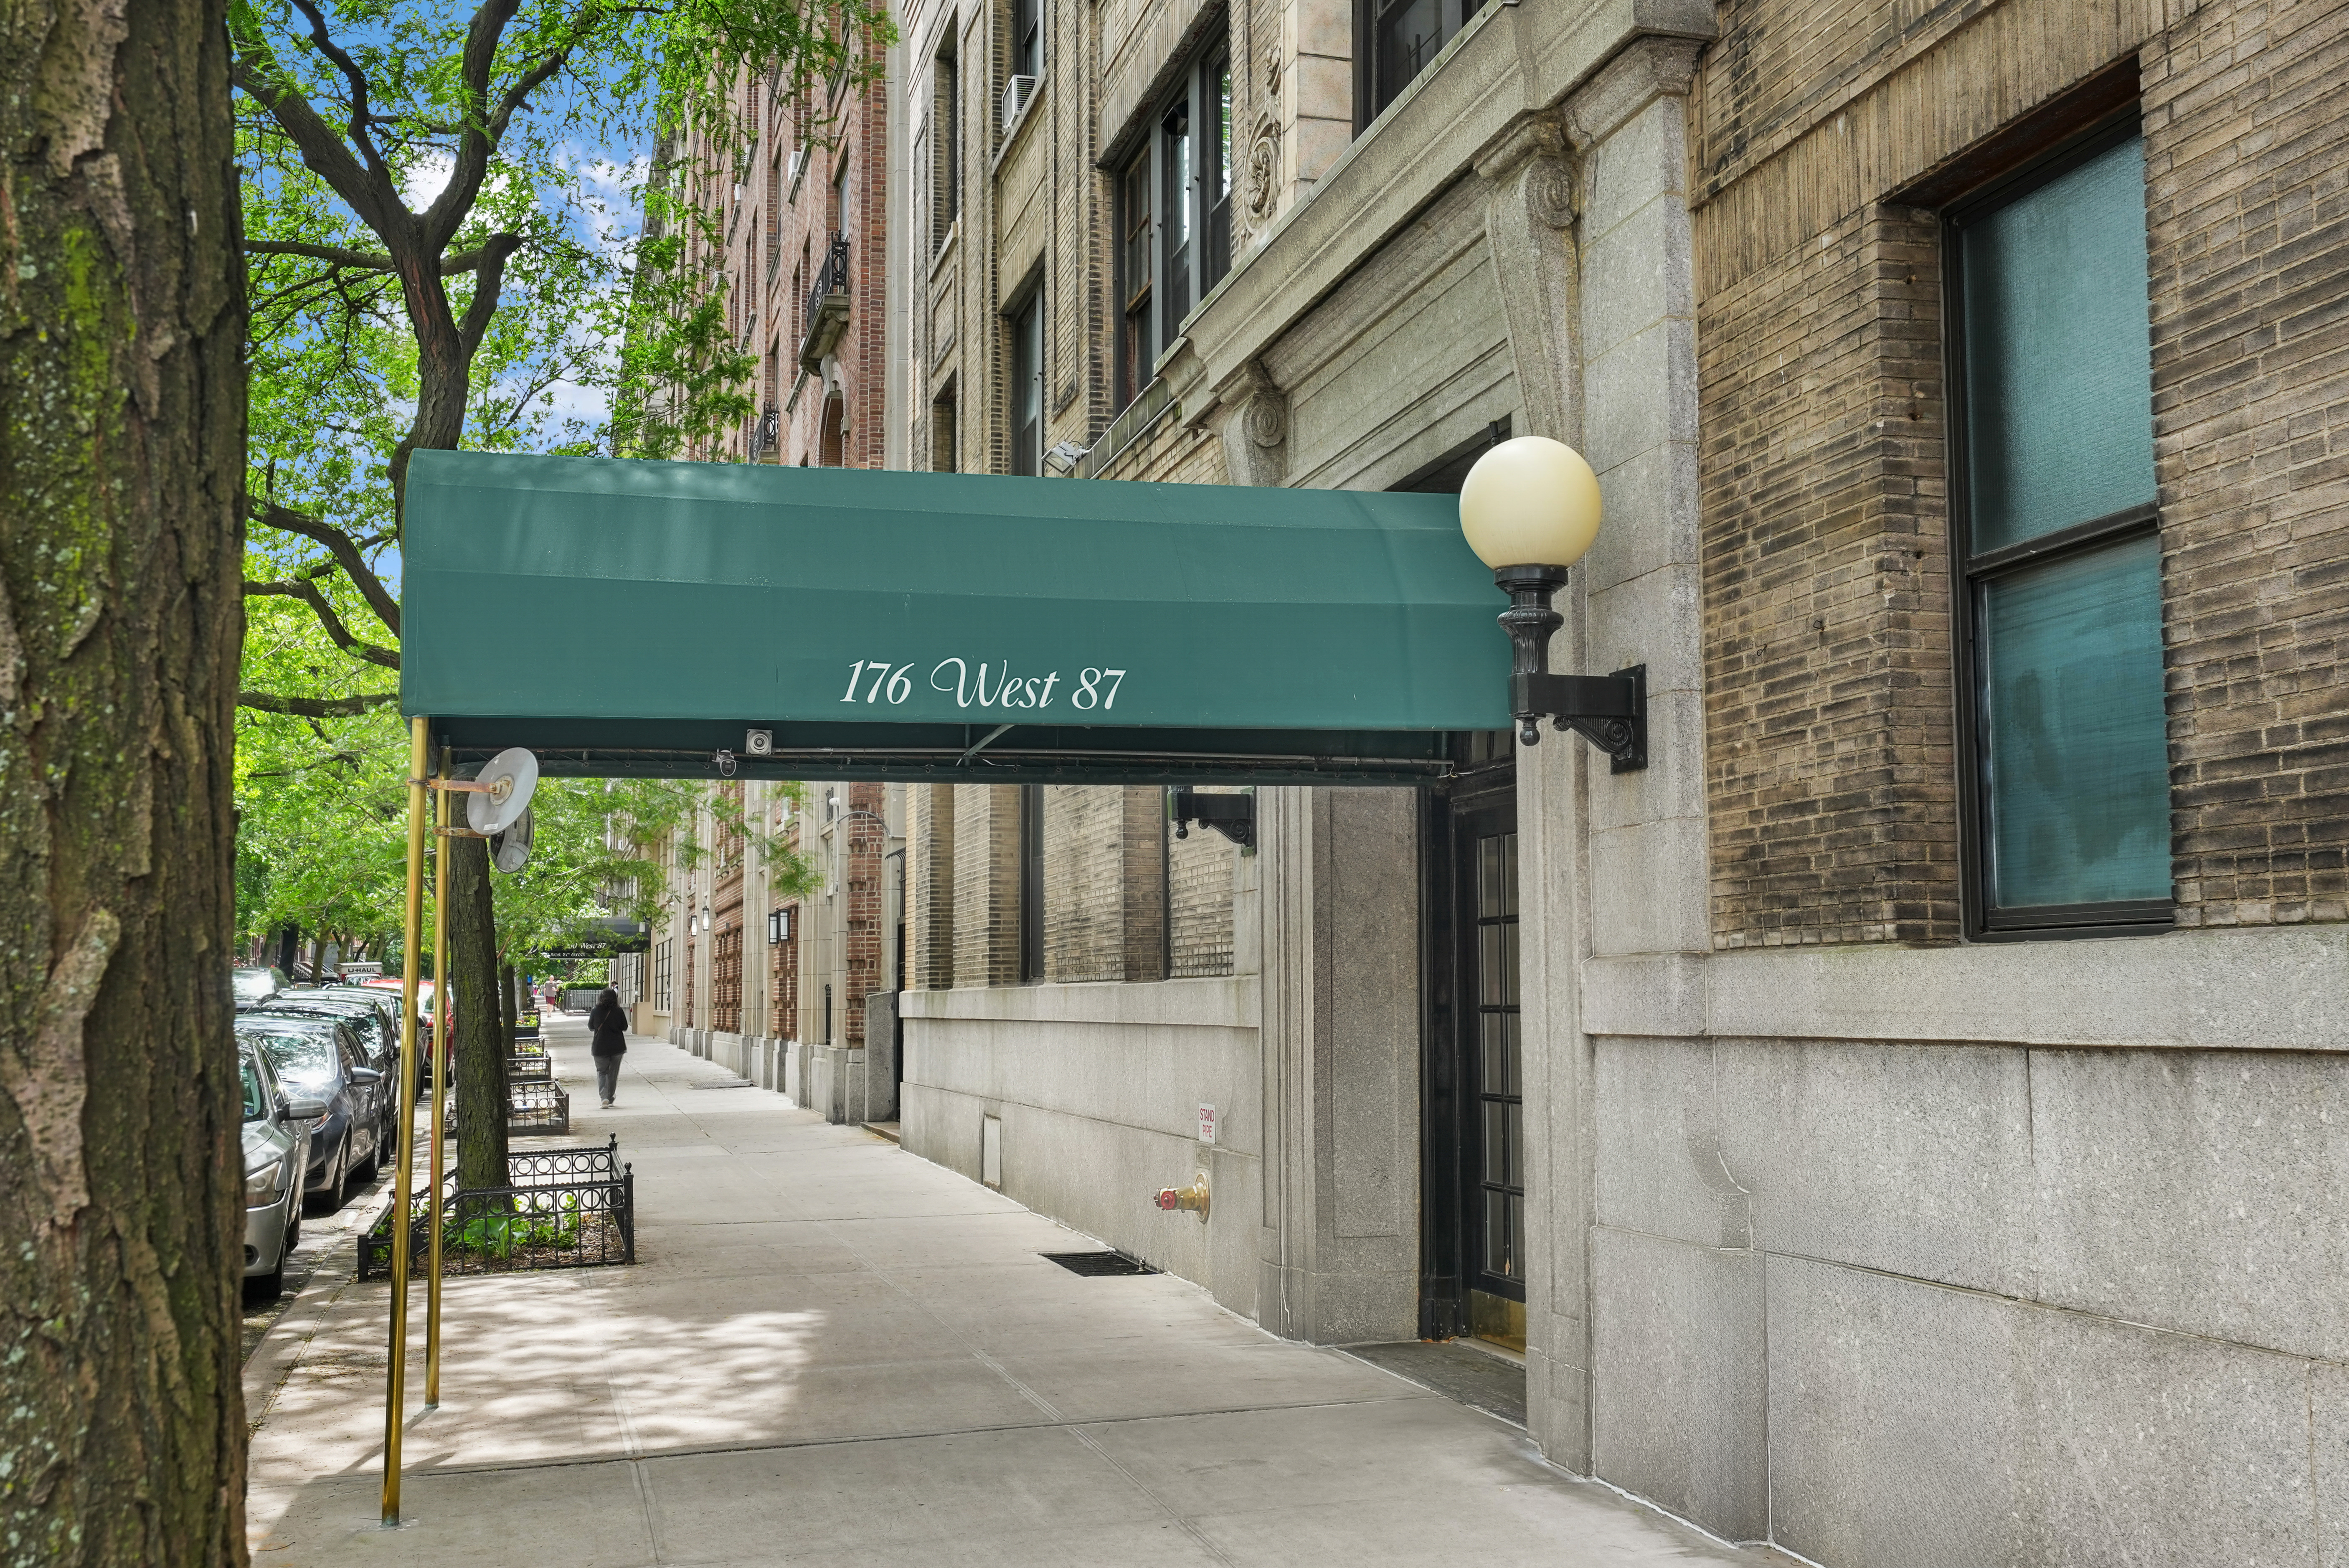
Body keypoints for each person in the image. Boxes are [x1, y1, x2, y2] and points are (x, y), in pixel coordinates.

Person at [587, 988, 628, 1108]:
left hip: (600, 1046)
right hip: (617, 1046)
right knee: (613, 1073)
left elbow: (591, 1026)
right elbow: (625, 1027)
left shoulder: (596, 1011)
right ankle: (610, 1097)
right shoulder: (619, 1011)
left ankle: (604, 1097)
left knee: (602, 1072)